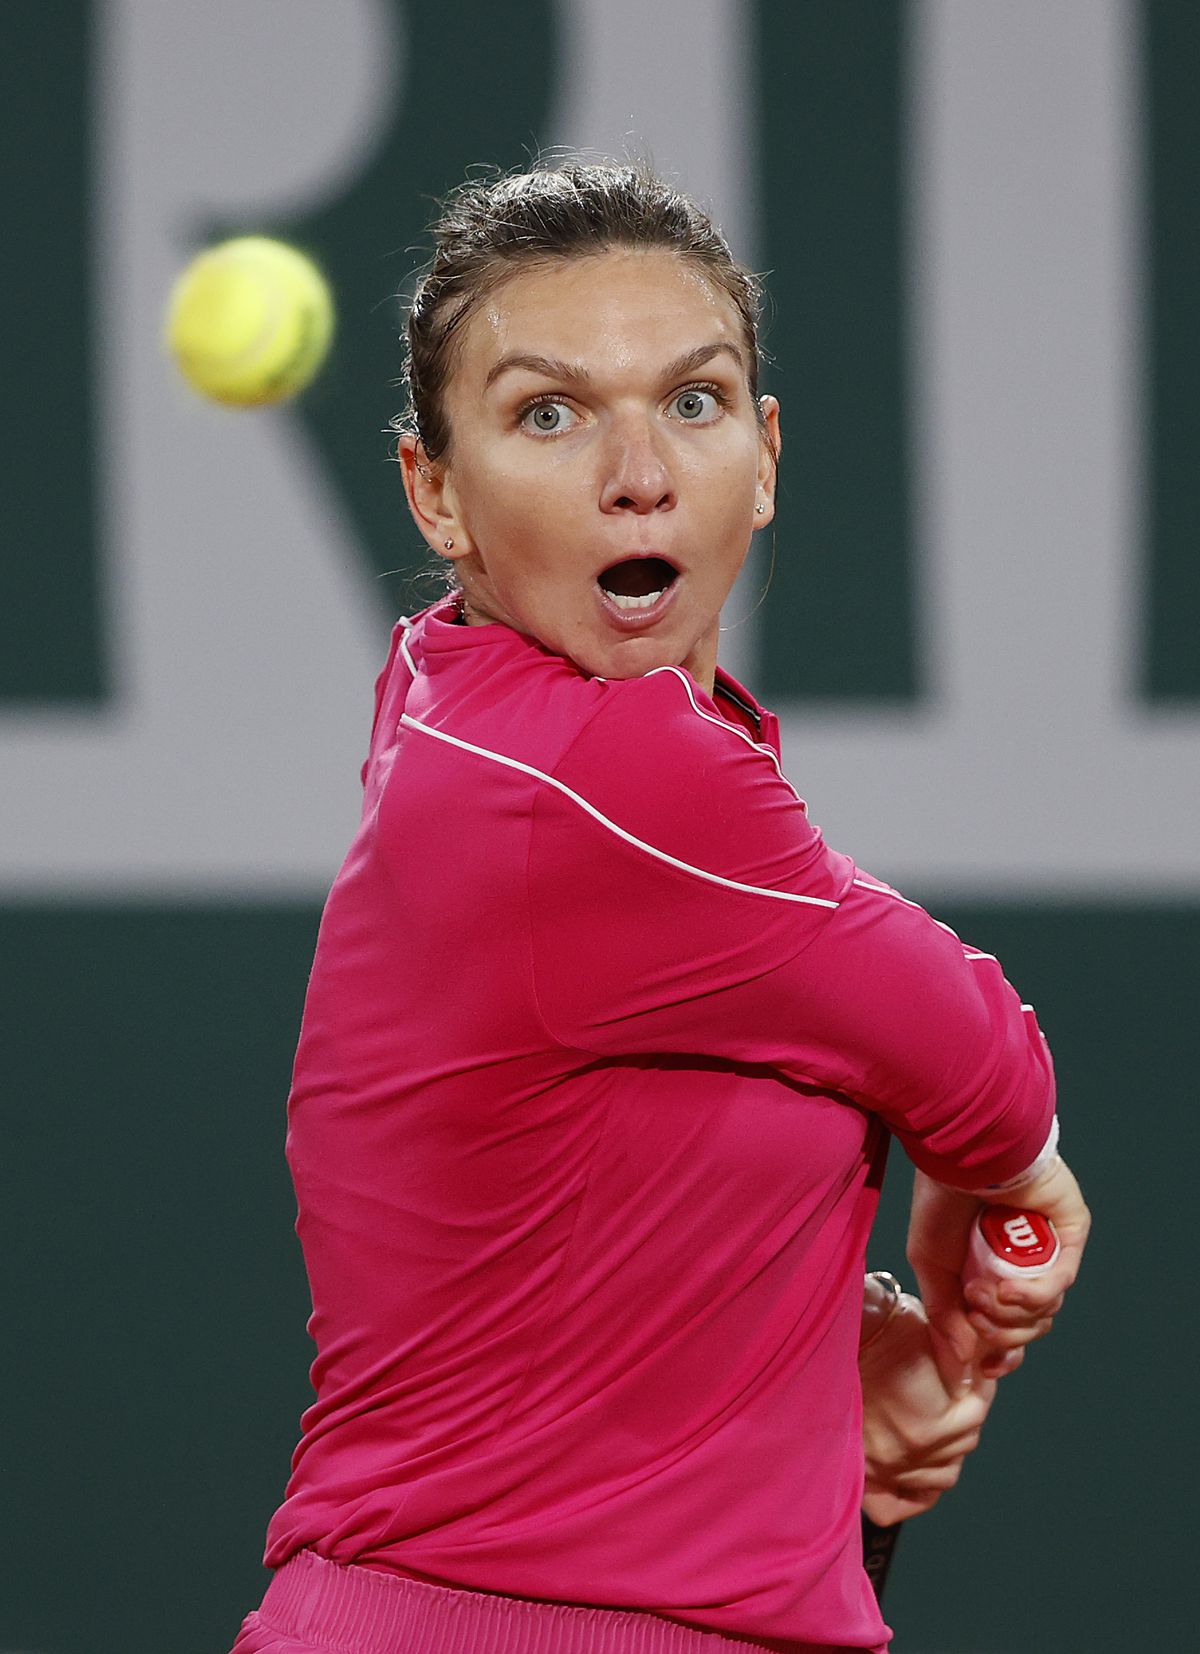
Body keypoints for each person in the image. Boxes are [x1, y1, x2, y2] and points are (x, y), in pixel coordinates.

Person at [228, 163, 1089, 1654]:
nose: (639, 471)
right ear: (435, 493)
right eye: (547, 414)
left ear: (763, 458)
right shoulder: (593, 774)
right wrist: (1016, 1171)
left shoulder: (469, 710)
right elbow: (976, 1056)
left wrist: (836, 1450)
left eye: (690, 402)